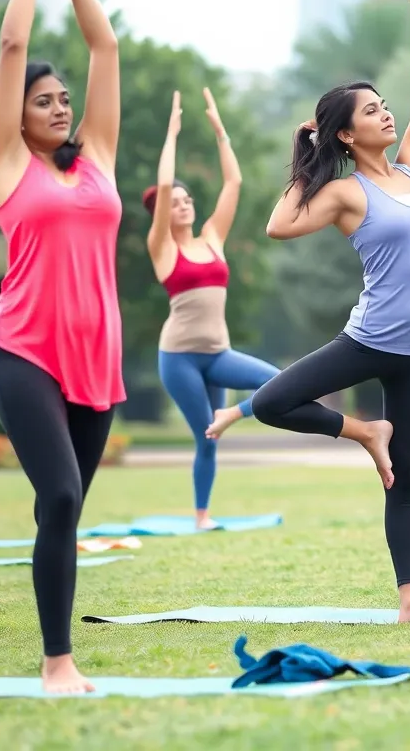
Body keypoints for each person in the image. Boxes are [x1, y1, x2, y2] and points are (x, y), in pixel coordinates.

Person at [252, 0, 410, 624]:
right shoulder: (345, 191)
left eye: (383, 106)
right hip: (369, 340)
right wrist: (308, 149)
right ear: (346, 131)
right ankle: (360, 431)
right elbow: (278, 225)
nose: (387, 114)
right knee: (271, 402)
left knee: (407, 477)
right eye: (371, 111)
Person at [0, 0, 124, 692]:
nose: (60, 106)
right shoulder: (4, 167)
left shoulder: (95, 157)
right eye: (43, 100)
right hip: (25, 349)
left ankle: (54, 635)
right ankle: (57, 661)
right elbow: (12, 51)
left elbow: (105, 51)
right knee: (60, 495)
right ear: (15, 115)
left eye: (64, 101)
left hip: (96, 357)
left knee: (62, 509)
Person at [144, 86, 279, 528]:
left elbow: (234, 183)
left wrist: (221, 132)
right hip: (180, 358)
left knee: (279, 383)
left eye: (187, 200)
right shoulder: (162, 247)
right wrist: (172, 133)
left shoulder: (212, 238)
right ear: (164, 213)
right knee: (206, 440)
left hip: (219, 354)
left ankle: (232, 414)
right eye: (176, 203)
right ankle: (201, 516)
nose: (183, 204)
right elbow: (164, 185)